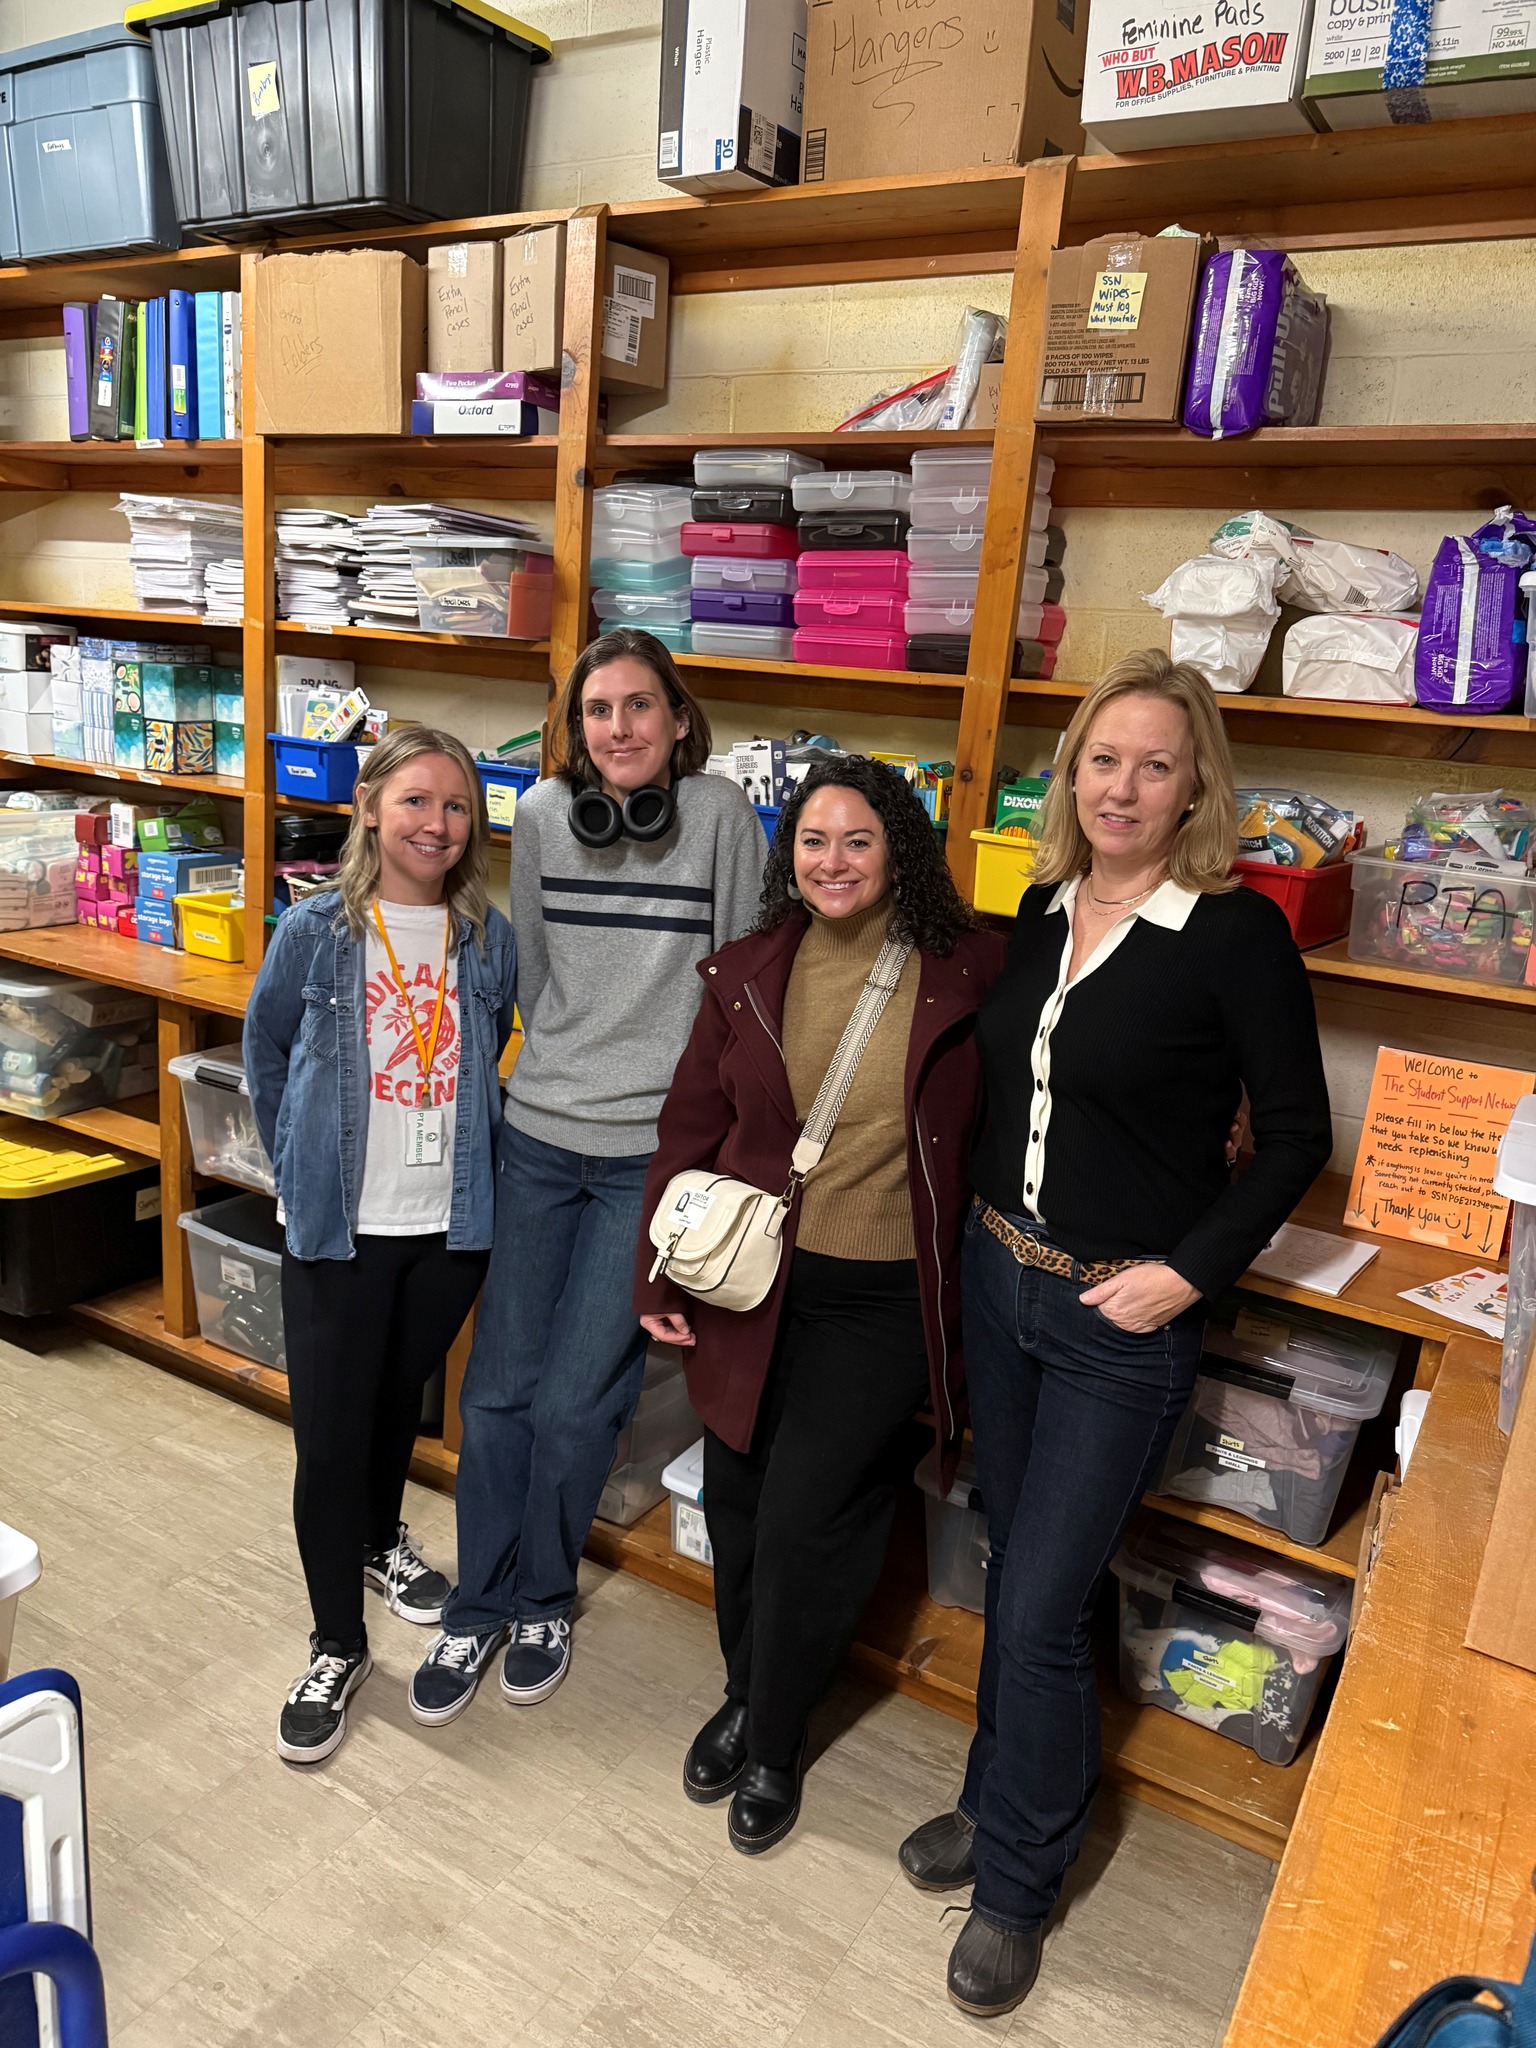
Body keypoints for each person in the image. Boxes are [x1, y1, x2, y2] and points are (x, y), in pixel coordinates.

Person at [896, 650, 1334, 2018]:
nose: (1123, 787)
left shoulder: (1235, 935)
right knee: (1022, 1566)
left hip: (1115, 1321)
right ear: (1072, 773)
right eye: (1102, 759)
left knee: (1036, 1606)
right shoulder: (1040, 905)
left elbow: (1296, 1137)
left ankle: (1018, 1884)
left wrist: (1186, 1274)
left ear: (1195, 783)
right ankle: (997, 1795)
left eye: (1155, 764)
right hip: (1003, 1282)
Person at [635, 756, 1006, 1855]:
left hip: (884, 1298)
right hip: (755, 1278)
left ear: (900, 849)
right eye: (811, 840)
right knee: (739, 1502)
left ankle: (776, 1740)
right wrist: (657, 1271)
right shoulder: (753, 968)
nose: (832, 861)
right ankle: (746, 1692)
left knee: (807, 1518)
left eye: (857, 840)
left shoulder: (971, 966)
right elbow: (689, 1124)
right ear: (785, 853)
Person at [409, 628, 764, 1725]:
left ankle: (544, 1596)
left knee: (574, 1402)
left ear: (678, 718)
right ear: (575, 727)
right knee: (497, 1388)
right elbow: (541, 977)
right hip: (539, 1134)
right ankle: (478, 1602)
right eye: (597, 710)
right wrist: (571, 1065)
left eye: (639, 705)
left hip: (647, 1160)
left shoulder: (721, 818)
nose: (618, 728)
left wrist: (697, 1135)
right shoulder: (543, 816)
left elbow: (738, 984)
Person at [245, 726, 517, 1765]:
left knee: (397, 1400)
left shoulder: (486, 936)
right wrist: (300, 1171)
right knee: (329, 1435)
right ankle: (337, 1643)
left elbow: (491, 1049)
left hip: (449, 1225)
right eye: (414, 800)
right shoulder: (316, 929)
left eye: (455, 806)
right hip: (339, 1229)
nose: (435, 824)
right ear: (368, 808)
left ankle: (376, 1539)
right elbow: (267, 1051)